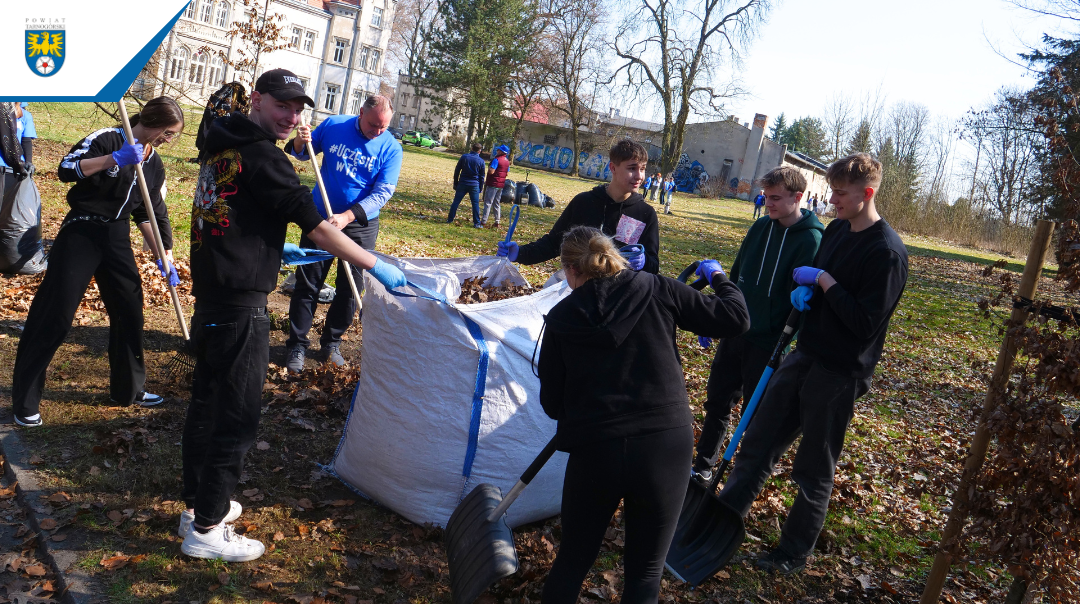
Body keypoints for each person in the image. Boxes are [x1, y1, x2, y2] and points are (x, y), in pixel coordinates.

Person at [181, 68, 407, 562]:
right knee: (236, 417)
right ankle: (206, 527)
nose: (292, 117)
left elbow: (231, 212)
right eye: (282, 105)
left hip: (215, 292)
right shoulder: (265, 158)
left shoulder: (223, 143)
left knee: (206, 399)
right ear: (257, 100)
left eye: (299, 108)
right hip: (241, 304)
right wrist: (376, 265)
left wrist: (269, 246)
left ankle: (197, 499)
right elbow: (319, 228)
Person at [716, 153, 909, 575]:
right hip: (805, 353)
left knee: (813, 467)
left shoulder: (887, 253)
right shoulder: (838, 230)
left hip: (840, 371)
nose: (832, 200)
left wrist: (825, 283)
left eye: (840, 194)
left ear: (868, 193)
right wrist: (805, 295)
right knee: (758, 441)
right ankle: (720, 522)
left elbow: (864, 323)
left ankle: (793, 552)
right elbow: (815, 279)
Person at [537, 226, 750, 603]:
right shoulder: (657, 287)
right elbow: (735, 318)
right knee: (646, 571)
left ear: (570, 269)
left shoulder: (561, 318)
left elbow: (553, 405)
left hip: (596, 448)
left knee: (572, 560)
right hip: (664, 444)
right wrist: (718, 276)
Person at [10, 97, 185, 427]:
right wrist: (113, 159)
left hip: (116, 237)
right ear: (156, 124)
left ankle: (129, 389)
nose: (169, 139)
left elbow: (149, 214)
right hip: (83, 230)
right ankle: (25, 399)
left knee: (129, 309)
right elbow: (65, 170)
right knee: (56, 313)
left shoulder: (154, 163)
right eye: (169, 132)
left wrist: (165, 257)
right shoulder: (107, 138)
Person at [691, 166, 824, 484]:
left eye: (776, 198)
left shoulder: (812, 241)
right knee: (718, 401)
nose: (769, 204)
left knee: (756, 414)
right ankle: (704, 467)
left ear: (798, 197)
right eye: (766, 197)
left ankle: (743, 478)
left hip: (769, 343)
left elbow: (808, 303)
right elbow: (736, 277)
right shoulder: (760, 228)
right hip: (736, 331)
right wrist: (717, 317)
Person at [283, 95, 402, 372]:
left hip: (360, 223)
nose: (377, 132)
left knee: (350, 288)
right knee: (308, 282)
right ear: (360, 112)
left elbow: (383, 191)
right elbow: (301, 153)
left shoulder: (391, 148)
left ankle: (331, 342)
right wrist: (301, 140)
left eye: (383, 127)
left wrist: (348, 216)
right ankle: (297, 345)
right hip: (319, 217)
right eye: (373, 125)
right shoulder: (334, 125)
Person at [496, 139, 660, 274]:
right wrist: (521, 253)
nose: (639, 176)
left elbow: (653, 265)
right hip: (578, 289)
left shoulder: (645, 214)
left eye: (643, 169)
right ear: (613, 168)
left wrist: (645, 261)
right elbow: (555, 244)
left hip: (620, 298)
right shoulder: (584, 202)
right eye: (632, 168)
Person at [0, 102, 47, 274]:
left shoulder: (24, 115)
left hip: (13, 171)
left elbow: (26, 141)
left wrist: (28, 162)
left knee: (8, 217)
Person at [447, 142, 485, 228]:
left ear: (471, 149)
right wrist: (480, 187)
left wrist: (455, 182)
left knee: (456, 202)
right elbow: (482, 176)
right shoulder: (481, 161)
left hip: (463, 182)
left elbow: (457, 170)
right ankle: (477, 223)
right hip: (474, 184)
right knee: (475, 204)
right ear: (479, 151)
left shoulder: (464, 157)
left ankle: (450, 219)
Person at [481, 145, 510, 227]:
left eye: (498, 150)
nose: (497, 151)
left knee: (488, 202)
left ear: (501, 152)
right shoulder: (507, 162)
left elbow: (491, 171)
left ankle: (483, 221)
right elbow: (507, 173)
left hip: (493, 184)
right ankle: (497, 221)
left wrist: (489, 167)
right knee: (496, 203)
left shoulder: (496, 160)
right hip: (500, 185)